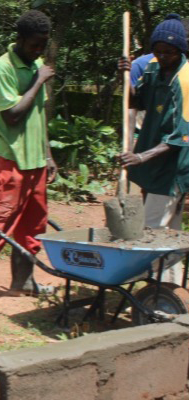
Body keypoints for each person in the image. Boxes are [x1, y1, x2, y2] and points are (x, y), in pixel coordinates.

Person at [0, 10, 58, 317]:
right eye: (34, 45)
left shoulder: (35, 66)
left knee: (34, 225)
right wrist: (39, 79)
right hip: (11, 159)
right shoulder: (2, 69)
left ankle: (24, 281)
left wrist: (48, 155)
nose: (38, 52)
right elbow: (13, 114)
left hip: (35, 161)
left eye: (43, 46)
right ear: (19, 39)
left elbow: (38, 115)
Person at [119, 14, 189, 283]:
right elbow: (136, 101)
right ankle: (167, 285)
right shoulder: (152, 68)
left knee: (152, 229)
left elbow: (178, 139)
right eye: (157, 51)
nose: (162, 56)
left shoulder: (184, 81)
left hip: (172, 169)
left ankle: (150, 288)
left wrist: (139, 157)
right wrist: (124, 76)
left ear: (180, 50)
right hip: (153, 161)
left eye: (169, 52)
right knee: (168, 230)